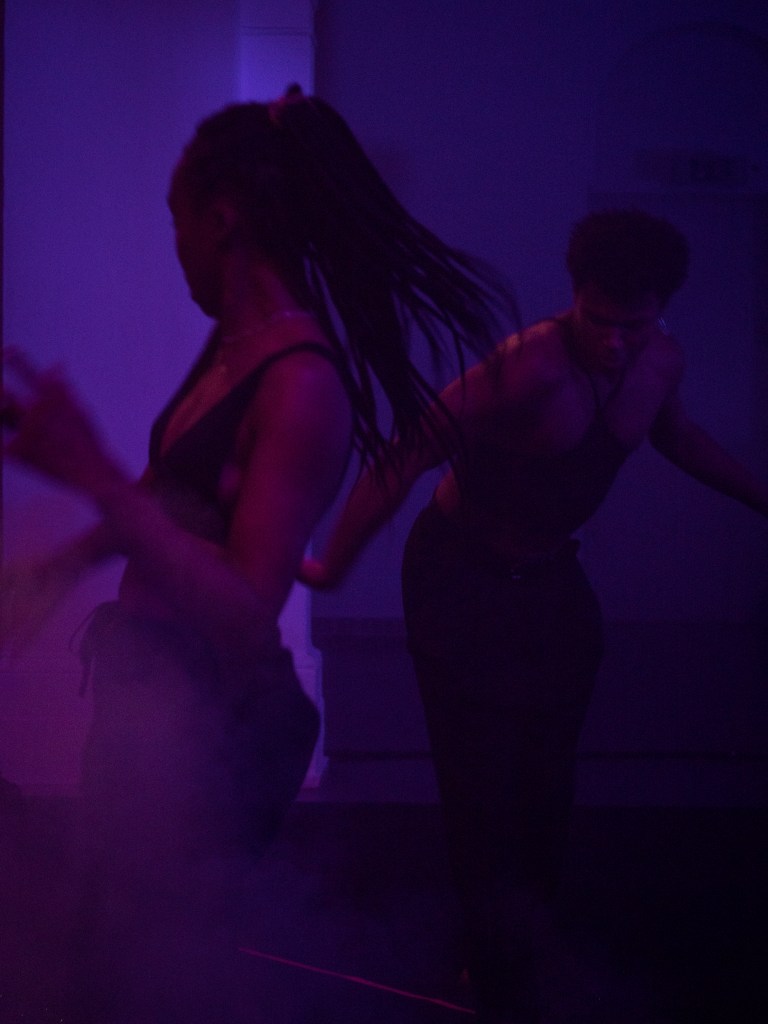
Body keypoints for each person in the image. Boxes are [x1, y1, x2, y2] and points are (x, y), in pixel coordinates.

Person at [1, 88, 516, 1022]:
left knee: (143, 971)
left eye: (176, 222)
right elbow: (173, 504)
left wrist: (89, 471)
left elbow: (244, 609)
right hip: (155, 687)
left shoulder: (301, 384)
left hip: (222, 717)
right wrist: (57, 568)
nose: (176, 247)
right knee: (108, 955)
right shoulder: (231, 345)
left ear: (222, 217)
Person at [301, 209, 768, 1024]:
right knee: (482, 784)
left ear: (660, 312)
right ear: (574, 295)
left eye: (633, 325)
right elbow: (410, 449)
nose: (613, 342)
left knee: (545, 785)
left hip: (548, 580)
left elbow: (678, 435)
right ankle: (492, 973)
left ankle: (523, 946)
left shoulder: (661, 362)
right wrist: (329, 565)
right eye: (597, 320)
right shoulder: (530, 366)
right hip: (460, 577)